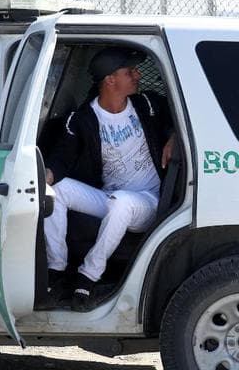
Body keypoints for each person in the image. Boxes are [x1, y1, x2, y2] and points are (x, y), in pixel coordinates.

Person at [43, 46, 175, 311]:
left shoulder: (147, 104)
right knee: (55, 190)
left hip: (147, 201)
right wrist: (47, 176)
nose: (138, 75)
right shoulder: (82, 119)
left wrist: (175, 137)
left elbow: (183, 117)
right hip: (109, 199)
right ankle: (56, 270)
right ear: (110, 80)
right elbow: (62, 157)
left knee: (122, 202)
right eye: (130, 71)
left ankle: (88, 276)